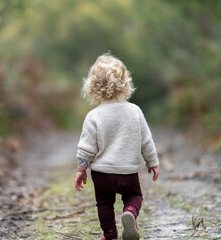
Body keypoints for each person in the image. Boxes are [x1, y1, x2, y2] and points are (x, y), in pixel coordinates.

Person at [74, 53, 159, 240]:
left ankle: (110, 235)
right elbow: (146, 140)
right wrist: (152, 162)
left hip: (102, 173)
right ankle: (129, 212)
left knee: (104, 203)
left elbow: (86, 148)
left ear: (93, 85)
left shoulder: (94, 116)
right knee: (134, 195)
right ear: (125, 83)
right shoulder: (134, 111)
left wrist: (81, 169)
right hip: (127, 171)